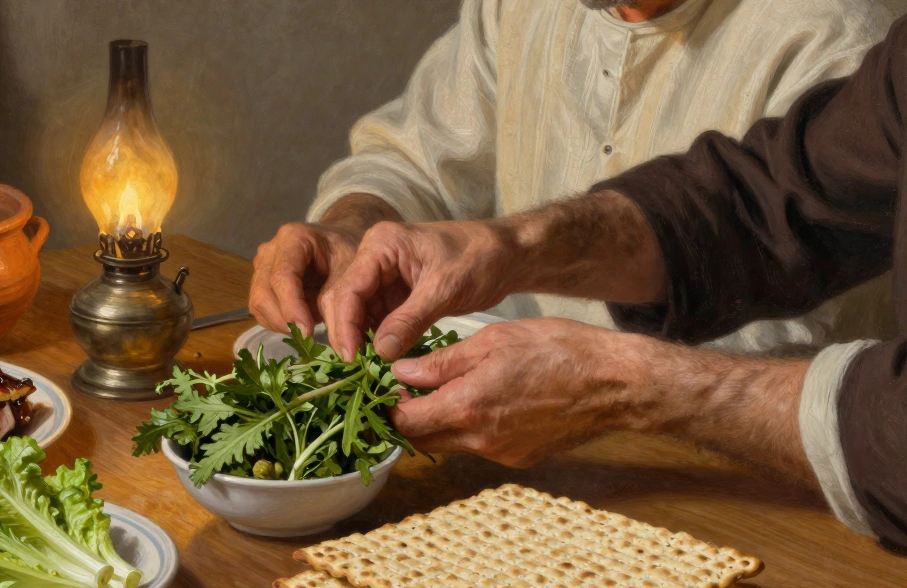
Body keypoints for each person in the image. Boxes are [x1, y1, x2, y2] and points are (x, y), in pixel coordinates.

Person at [308, 15, 907, 552]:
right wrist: (512, 246)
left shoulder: (836, 29)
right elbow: (763, 201)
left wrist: (618, 385)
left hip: (786, 531)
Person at [251, 0, 900, 354]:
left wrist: (578, 380)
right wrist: (350, 227)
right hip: (526, 449)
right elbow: (416, 157)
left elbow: (772, 334)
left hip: (756, 490)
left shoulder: (835, 32)